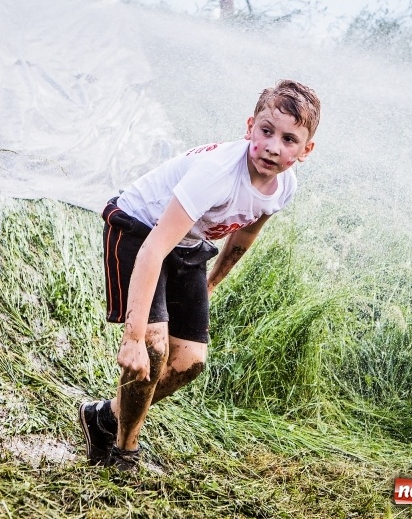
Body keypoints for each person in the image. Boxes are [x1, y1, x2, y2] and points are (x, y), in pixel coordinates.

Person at [79, 79, 320, 472]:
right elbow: (154, 248)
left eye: (289, 139)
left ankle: (103, 417)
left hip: (189, 243)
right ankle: (125, 451)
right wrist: (134, 337)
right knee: (154, 353)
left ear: (306, 150)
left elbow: (247, 230)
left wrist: (211, 283)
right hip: (140, 228)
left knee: (190, 361)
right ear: (249, 127)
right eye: (266, 131)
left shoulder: (284, 185)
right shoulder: (217, 173)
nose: (274, 146)